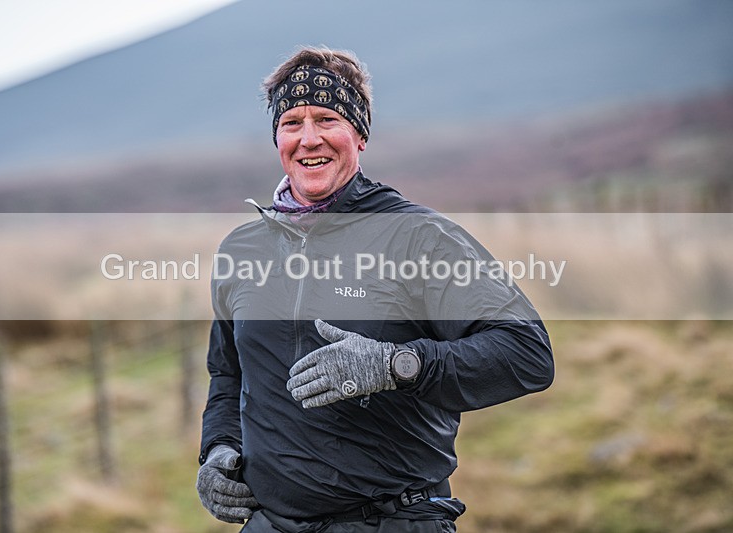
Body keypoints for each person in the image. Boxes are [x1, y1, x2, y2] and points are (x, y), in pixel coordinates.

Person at [196, 46, 554, 532]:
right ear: (276, 138)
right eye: (291, 123)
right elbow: (229, 374)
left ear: (359, 135)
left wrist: (395, 365)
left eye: (326, 118)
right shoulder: (242, 249)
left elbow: (526, 354)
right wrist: (218, 450)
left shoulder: (417, 238)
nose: (308, 138)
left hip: (393, 520)